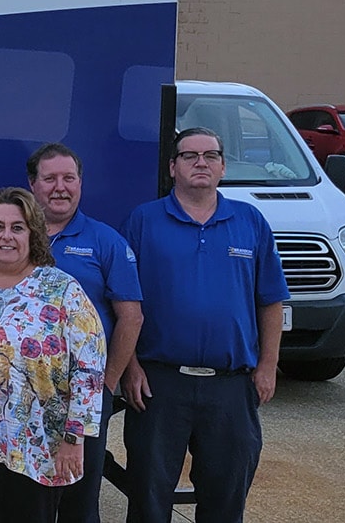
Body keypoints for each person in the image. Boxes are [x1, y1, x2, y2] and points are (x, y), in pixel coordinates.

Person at [119, 128, 289, 523]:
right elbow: (123, 306)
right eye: (190, 155)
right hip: (159, 386)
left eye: (210, 155)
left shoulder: (250, 222)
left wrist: (267, 366)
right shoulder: (143, 221)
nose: (201, 162)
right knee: (148, 498)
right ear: (172, 167)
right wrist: (130, 367)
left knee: (226, 498)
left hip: (231, 387)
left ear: (223, 166)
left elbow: (271, 301)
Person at [0, 188, 106, 523]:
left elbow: (89, 369)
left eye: (17, 227)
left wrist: (74, 438)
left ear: (33, 234)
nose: (6, 236)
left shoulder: (63, 290)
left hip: (37, 445)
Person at [25, 143, 144, 523]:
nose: (60, 187)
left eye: (69, 178)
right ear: (32, 184)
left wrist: (106, 387)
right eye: (50, 178)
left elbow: (131, 318)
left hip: (84, 397)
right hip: (21, 395)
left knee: (78, 495)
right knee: (24, 496)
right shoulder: (13, 237)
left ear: (80, 183)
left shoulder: (106, 241)